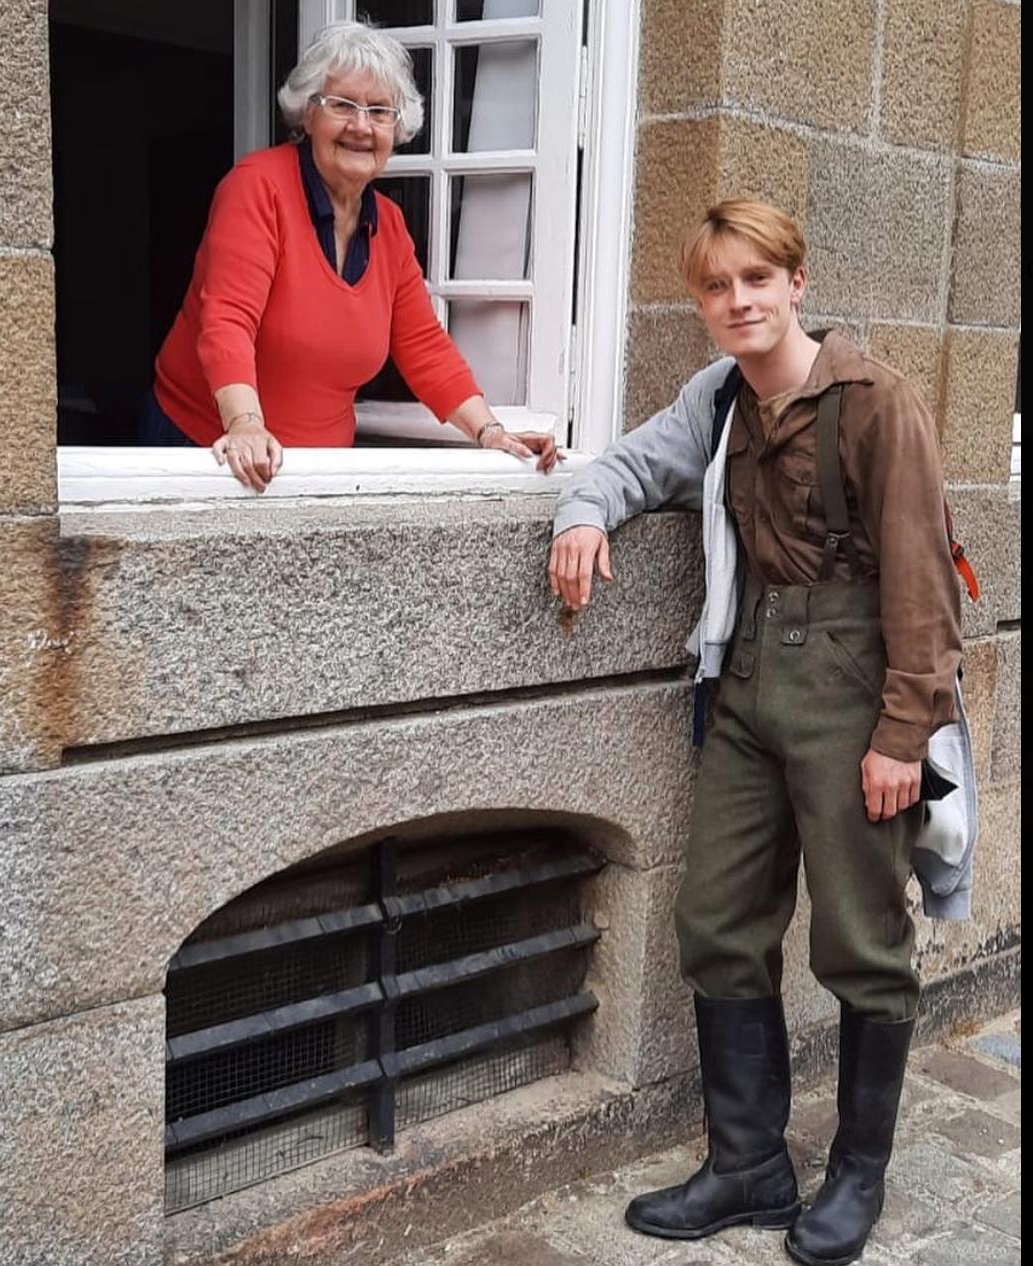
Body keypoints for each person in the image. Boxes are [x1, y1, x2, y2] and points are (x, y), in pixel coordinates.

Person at [548, 200, 964, 1266]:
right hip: (743, 683)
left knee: (860, 942)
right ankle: (747, 1165)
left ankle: (855, 1175)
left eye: (754, 280)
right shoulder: (716, 398)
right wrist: (583, 515)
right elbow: (626, 467)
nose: (735, 301)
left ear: (794, 282)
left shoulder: (874, 401)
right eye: (714, 287)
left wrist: (900, 737)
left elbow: (922, 585)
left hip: (852, 685)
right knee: (717, 919)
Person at [143, 21, 559, 491]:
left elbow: (423, 347)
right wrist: (244, 424)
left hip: (316, 467)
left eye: (379, 111)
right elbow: (227, 321)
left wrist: (491, 433)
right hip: (209, 448)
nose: (361, 126)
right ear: (307, 115)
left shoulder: (390, 226)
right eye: (342, 105)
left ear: (396, 129)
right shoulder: (258, 187)